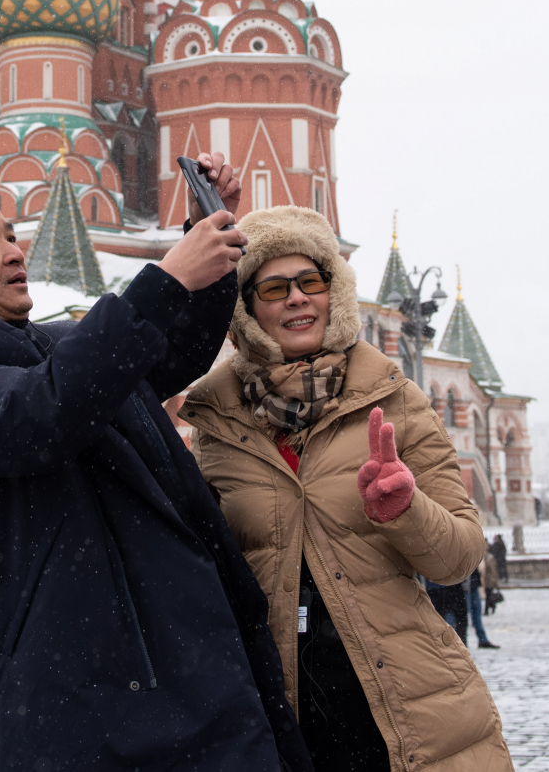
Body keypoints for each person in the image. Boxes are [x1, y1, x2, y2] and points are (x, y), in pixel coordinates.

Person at [0, 156, 313, 772]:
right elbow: (36, 414)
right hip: (69, 686)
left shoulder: (54, 345)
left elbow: (168, 350)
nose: (12, 250)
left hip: (173, 658)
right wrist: (162, 280)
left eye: (10, 234)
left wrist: (203, 241)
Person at [187, 205, 514, 772]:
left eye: (311, 281)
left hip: (405, 705)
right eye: (274, 287)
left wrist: (407, 509)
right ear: (247, 311)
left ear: (333, 294)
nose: (297, 298)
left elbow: (459, 557)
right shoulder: (217, 422)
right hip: (277, 714)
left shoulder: (394, 398)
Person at [467, 561, 501, 649]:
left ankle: (482, 639)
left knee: (477, 614)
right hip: (464, 586)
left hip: (473, 584)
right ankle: (462, 641)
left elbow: (481, 572)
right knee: (462, 616)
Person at [483, 546, 503, 615]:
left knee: (488, 596)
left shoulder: (490, 558)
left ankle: (487, 610)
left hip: (488, 581)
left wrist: (495, 582)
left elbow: (493, 571)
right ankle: (490, 607)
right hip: (483, 580)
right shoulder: (481, 558)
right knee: (487, 596)